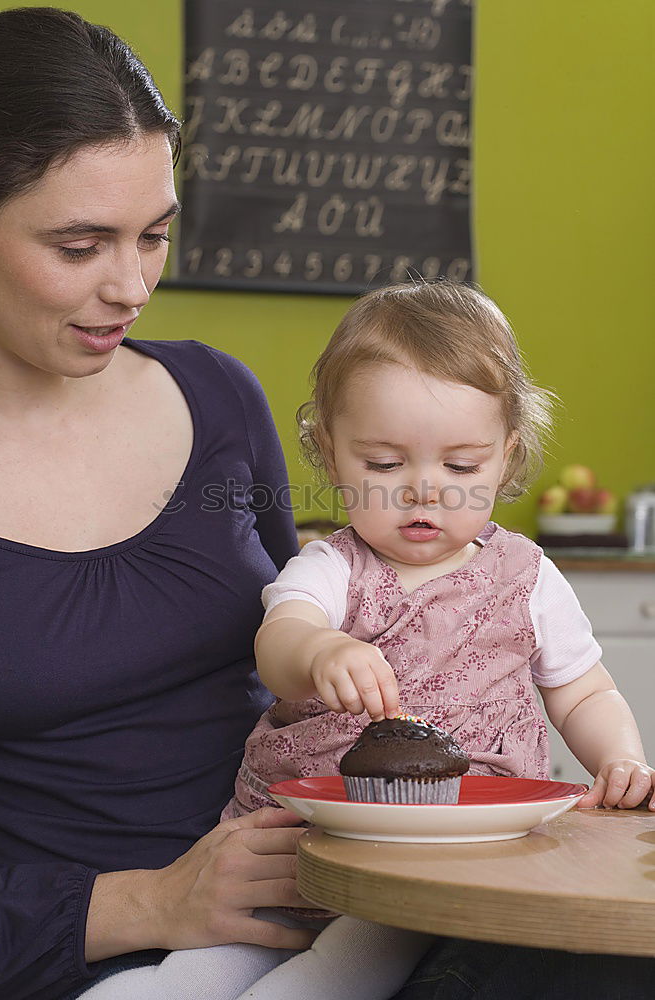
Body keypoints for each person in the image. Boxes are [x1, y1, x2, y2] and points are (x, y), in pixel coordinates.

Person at [0, 8, 317, 1000]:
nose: (131, 287)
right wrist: (150, 904)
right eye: (80, 246)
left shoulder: (219, 394)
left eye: (155, 236)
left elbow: (305, 642)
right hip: (82, 960)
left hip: (312, 920)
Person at [207, 279, 654, 998]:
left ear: (506, 457)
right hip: (314, 833)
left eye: (459, 466)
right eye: (383, 465)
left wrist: (622, 758)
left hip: (466, 845)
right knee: (231, 949)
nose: (423, 490)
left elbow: (582, 691)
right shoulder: (330, 567)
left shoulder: (528, 577)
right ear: (329, 452)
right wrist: (319, 652)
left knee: (372, 944)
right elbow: (280, 641)